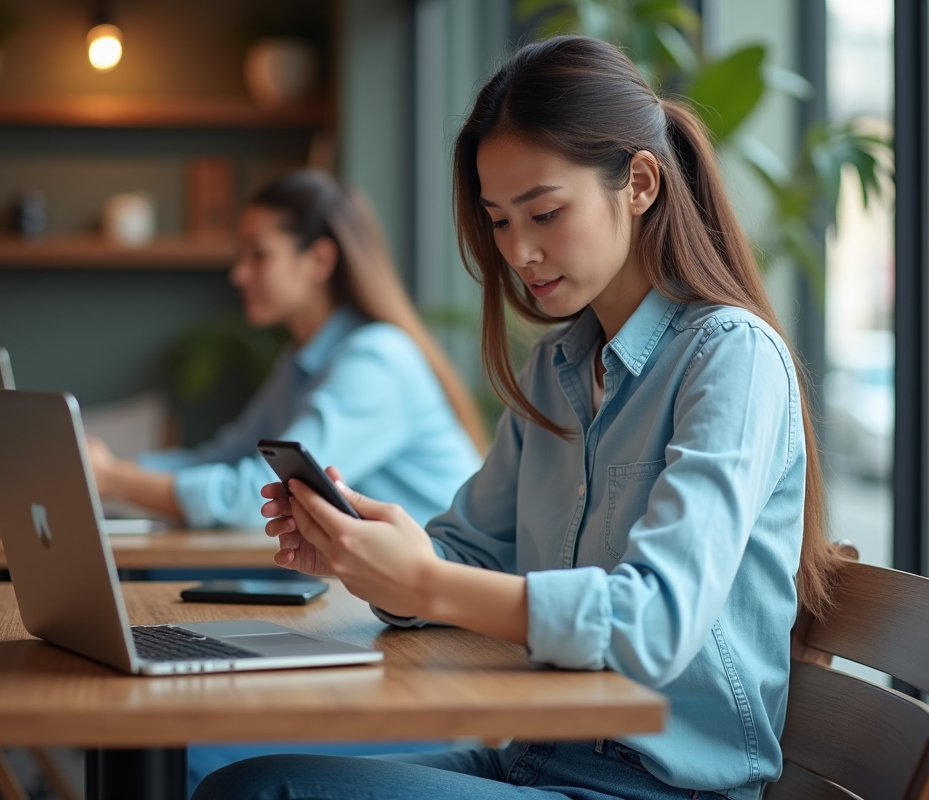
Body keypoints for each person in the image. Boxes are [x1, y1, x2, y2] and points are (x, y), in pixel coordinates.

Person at [194, 35, 844, 800]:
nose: (521, 252)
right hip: (534, 757)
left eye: (545, 212)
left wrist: (426, 582)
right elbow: (467, 552)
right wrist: (372, 557)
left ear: (639, 183)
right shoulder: (558, 367)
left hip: (658, 789)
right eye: (500, 221)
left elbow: (655, 623)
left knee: (255, 792)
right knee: (243, 781)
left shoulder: (731, 357)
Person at [87, 170, 486, 531]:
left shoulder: (376, 361)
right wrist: (105, 469)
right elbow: (227, 458)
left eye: (258, 254)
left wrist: (112, 479)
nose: (239, 273)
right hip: (379, 578)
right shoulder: (300, 361)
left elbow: (259, 496)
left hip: (441, 582)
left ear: (319, 260)